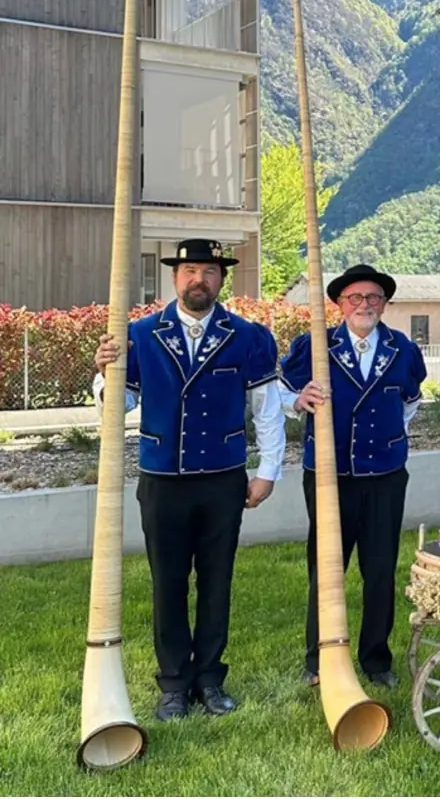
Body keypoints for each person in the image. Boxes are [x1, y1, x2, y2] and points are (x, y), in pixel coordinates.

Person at [92, 238, 285, 721]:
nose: (199, 279)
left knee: (217, 581)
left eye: (209, 271)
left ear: (222, 279)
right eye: (190, 270)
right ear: (175, 277)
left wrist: (267, 472)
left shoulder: (247, 337)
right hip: (163, 479)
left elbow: (268, 410)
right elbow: (118, 406)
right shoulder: (139, 335)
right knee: (169, 584)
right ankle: (174, 684)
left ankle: (210, 680)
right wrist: (102, 374)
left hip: (223, 480)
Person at [279, 264, 427, 689]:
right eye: (355, 298)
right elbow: (281, 390)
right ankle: (319, 658)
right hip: (329, 475)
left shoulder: (402, 350)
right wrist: (298, 400)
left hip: (384, 475)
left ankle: (377, 659)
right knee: (326, 567)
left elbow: (409, 404)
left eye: (373, 298)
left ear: (384, 304)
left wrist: (387, 438)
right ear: (339, 305)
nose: (364, 305)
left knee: (380, 568)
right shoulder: (314, 346)